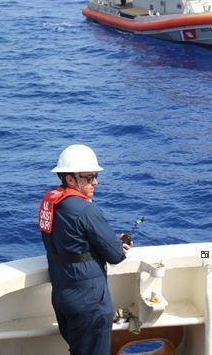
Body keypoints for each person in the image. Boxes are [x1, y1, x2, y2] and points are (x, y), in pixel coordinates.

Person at [39, 144, 130, 354]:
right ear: (70, 179)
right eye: (89, 177)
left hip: (62, 296)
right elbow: (116, 255)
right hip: (89, 301)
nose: (95, 182)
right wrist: (118, 244)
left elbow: (70, 243)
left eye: (95, 176)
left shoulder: (50, 204)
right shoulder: (86, 210)